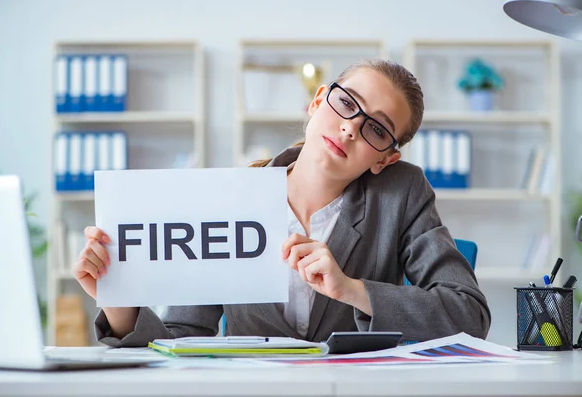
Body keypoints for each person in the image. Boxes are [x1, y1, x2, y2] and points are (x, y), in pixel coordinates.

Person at [75, 58, 491, 347]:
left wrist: (352, 290)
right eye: (346, 104)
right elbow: (183, 338)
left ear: (386, 158)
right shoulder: (230, 196)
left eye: (376, 129)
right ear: (317, 102)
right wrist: (119, 302)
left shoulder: (402, 191)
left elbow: (469, 314)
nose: (349, 128)